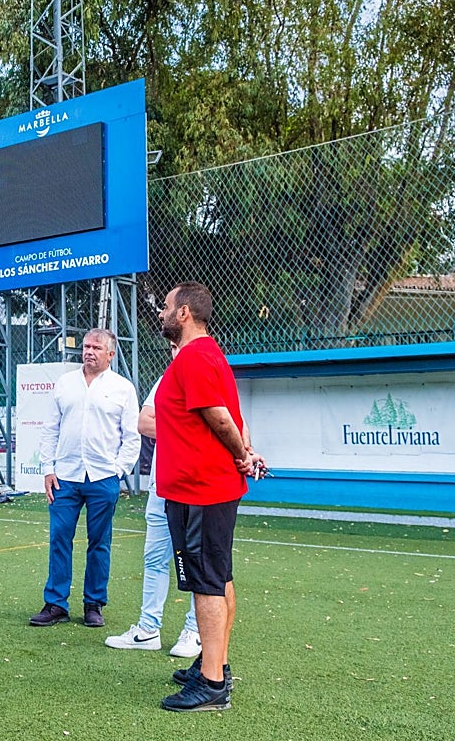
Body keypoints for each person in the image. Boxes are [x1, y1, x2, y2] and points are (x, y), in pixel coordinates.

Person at [154, 281, 266, 712]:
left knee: (207, 583)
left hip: (200, 491)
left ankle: (213, 685)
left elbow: (221, 418)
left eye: (166, 307)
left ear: (184, 313)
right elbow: (234, 415)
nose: (161, 314)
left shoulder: (196, 357)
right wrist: (247, 452)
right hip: (205, 488)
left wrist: (241, 454)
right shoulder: (204, 355)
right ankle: (212, 662)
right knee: (219, 578)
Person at [29, 328, 141, 629]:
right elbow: (50, 429)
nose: (89, 351)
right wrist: (48, 469)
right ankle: (55, 604)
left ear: (111, 354)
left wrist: (118, 471)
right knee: (59, 538)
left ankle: (93, 604)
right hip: (65, 476)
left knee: (99, 543)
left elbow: (132, 437)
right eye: (86, 346)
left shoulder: (123, 388)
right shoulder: (65, 384)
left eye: (96, 347)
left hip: (103, 477)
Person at [105, 343, 200, 658]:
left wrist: (175, 427)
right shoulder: (166, 379)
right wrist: (190, 429)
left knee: (196, 560)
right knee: (154, 558)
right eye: (172, 347)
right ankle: (148, 630)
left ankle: (194, 632)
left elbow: (232, 424)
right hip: (162, 486)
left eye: (181, 345)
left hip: (196, 486)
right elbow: (144, 422)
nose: (176, 351)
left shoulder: (207, 376)